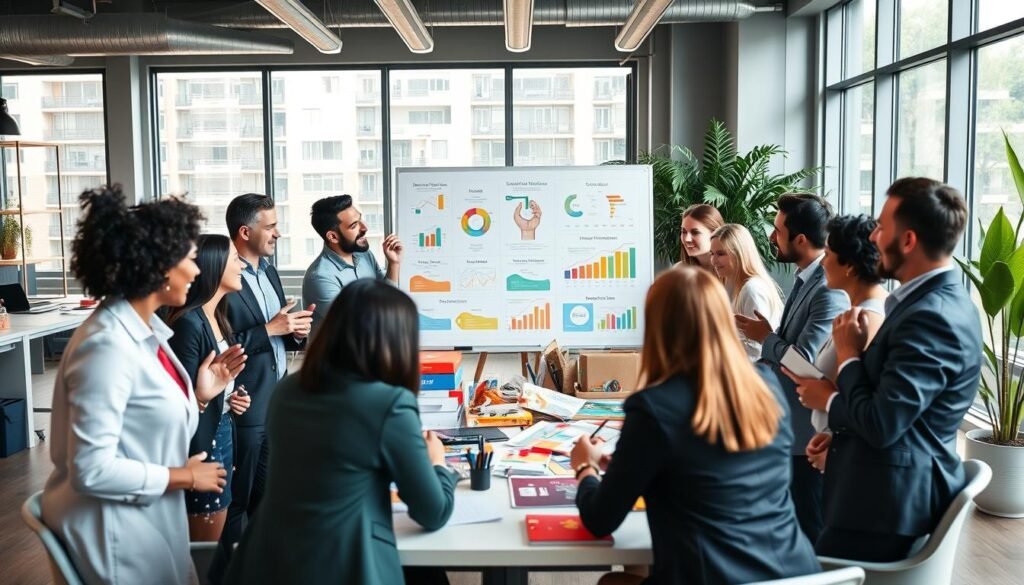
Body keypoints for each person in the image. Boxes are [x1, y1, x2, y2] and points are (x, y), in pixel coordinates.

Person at [41, 186, 245, 585]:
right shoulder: (106, 346)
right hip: (116, 538)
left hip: (148, 525)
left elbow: (144, 420)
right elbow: (91, 470)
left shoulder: (146, 333)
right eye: (190, 260)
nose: (198, 270)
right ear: (158, 267)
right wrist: (184, 477)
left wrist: (202, 397)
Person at [572, 266, 820, 585]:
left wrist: (585, 469)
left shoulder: (653, 407)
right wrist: (634, 467)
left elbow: (600, 519)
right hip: (795, 575)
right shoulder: (766, 385)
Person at [788, 178, 980, 562]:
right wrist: (841, 441)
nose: (872, 238)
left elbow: (882, 422)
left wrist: (848, 359)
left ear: (907, 241)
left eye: (880, 226)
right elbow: (899, 414)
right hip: (881, 491)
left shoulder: (931, 317)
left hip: (883, 510)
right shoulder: (924, 303)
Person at [223, 279, 457, 585]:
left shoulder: (288, 391)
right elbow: (432, 512)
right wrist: (438, 463)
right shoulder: (390, 404)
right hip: (344, 566)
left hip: (268, 564)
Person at [210, 193, 314, 583]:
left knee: (268, 496)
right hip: (244, 399)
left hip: (275, 396)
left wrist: (294, 331)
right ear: (244, 231)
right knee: (239, 498)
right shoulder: (223, 276)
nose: (278, 233)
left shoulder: (268, 270)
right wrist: (270, 329)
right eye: (270, 226)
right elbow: (221, 338)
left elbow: (276, 330)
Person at [735, 193, 848, 544]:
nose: (771, 237)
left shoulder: (828, 291)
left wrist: (766, 337)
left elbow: (806, 364)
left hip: (805, 431)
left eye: (778, 230)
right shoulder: (805, 280)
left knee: (809, 523)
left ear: (800, 240)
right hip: (786, 425)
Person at [164, 234, 253, 542]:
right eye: (233, 259)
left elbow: (214, 382)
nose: (240, 264)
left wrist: (232, 396)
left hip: (221, 430)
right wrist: (205, 397)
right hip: (201, 445)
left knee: (218, 535)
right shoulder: (188, 324)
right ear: (213, 267)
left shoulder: (217, 315)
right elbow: (181, 399)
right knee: (206, 546)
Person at [786, 215, 887, 473]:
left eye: (828, 254)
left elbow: (865, 402)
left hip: (847, 456)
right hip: (832, 442)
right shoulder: (854, 314)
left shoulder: (867, 321)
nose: (823, 262)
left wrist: (839, 451)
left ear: (849, 266)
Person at [301, 194, 403, 332]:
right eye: (354, 225)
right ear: (333, 236)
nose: (365, 227)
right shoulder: (319, 277)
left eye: (360, 219)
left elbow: (386, 297)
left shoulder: (365, 255)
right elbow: (356, 323)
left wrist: (394, 264)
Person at [709, 224, 784, 360]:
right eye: (712, 254)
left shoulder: (752, 289)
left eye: (721, 254)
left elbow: (757, 349)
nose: (713, 260)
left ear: (739, 253)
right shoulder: (731, 285)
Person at [677, 203, 724, 269]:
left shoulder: (734, 270)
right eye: (684, 232)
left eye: (695, 232)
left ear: (715, 234)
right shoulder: (679, 271)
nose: (687, 239)